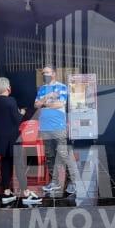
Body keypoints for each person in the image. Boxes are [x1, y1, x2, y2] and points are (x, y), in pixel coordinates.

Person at [0, 78, 36, 205]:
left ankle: (6, 193)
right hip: (12, 139)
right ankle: (26, 193)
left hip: (1, 140)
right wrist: (22, 112)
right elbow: (17, 119)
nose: (10, 87)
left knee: (6, 164)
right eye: (9, 85)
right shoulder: (11, 100)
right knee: (20, 165)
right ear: (7, 87)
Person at [34, 65, 77, 197]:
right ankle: (55, 182)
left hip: (58, 127)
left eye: (47, 72)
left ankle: (73, 182)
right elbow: (36, 105)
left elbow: (60, 104)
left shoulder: (62, 87)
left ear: (53, 74)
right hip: (44, 127)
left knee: (63, 155)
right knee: (50, 156)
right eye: (43, 73)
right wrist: (48, 96)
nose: (44, 75)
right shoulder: (41, 89)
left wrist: (44, 103)